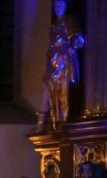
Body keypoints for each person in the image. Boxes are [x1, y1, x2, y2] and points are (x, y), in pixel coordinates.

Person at [41, 0, 85, 129]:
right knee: (53, 91)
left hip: (64, 61)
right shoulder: (53, 25)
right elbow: (51, 45)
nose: (58, 8)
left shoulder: (70, 21)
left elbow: (79, 38)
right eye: (56, 6)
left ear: (65, 7)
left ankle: (64, 119)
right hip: (53, 62)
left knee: (64, 92)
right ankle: (55, 120)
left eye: (61, 6)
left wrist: (72, 45)